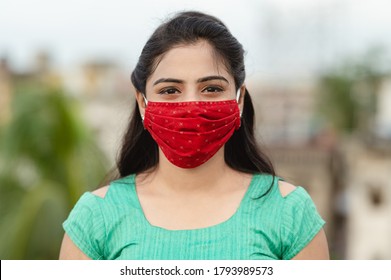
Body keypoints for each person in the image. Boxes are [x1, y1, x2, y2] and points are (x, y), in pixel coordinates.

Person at [59, 11, 329, 260]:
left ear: (239, 99)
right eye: (170, 91)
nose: (191, 105)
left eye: (211, 89)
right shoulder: (95, 218)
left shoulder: (289, 213)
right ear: (142, 102)